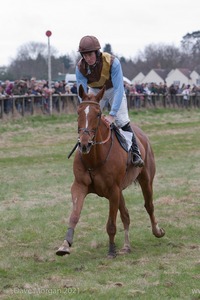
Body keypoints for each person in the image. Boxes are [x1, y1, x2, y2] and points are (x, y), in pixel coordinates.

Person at [76, 35, 144, 167]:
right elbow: (83, 94)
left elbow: (119, 89)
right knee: (88, 118)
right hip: (95, 91)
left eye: (90, 55)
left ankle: (136, 153)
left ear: (97, 52)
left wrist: (112, 114)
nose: (87, 58)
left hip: (113, 90)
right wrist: (85, 107)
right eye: (84, 55)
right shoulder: (80, 67)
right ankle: (83, 145)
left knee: (122, 120)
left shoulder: (113, 62)